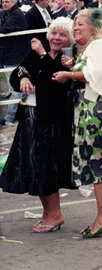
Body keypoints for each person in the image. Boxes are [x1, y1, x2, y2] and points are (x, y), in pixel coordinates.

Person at [0, 19, 75, 233]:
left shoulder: (66, 59)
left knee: (47, 167)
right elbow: (17, 73)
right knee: (35, 166)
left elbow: (52, 79)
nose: (56, 38)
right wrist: (24, 77)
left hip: (52, 121)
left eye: (62, 35)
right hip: (31, 116)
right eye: (54, 33)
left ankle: (55, 214)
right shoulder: (39, 54)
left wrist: (42, 54)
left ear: (68, 39)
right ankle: (48, 213)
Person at [52, 9, 102, 238]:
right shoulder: (93, 48)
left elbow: (93, 73)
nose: (75, 28)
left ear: (94, 27)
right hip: (92, 110)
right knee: (97, 165)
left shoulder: (99, 46)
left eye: (80, 24)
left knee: (100, 165)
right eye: (75, 25)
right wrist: (73, 64)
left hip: (96, 112)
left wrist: (68, 74)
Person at [1, 0, 30, 125]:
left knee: (15, 88)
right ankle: (17, 115)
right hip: (12, 56)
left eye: (7, 2)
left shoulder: (16, 14)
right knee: (18, 88)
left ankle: (10, 118)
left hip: (15, 57)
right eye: (3, 2)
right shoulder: (8, 14)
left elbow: (4, 29)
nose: (4, 4)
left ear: (13, 3)